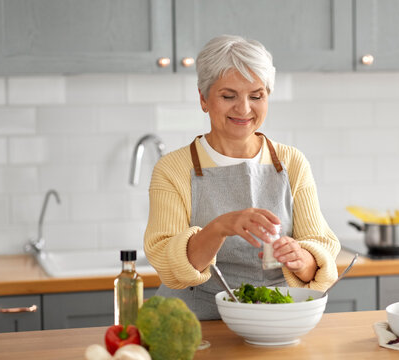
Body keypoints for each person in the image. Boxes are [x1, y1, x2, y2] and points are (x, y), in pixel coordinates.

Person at [144, 34, 340, 320]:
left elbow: (320, 253)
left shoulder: (291, 162)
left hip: (278, 318)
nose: (244, 108)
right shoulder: (173, 170)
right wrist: (219, 228)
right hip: (197, 323)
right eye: (228, 96)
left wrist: (301, 259)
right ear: (203, 99)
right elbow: (169, 268)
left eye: (256, 96)